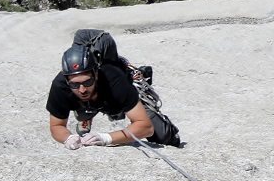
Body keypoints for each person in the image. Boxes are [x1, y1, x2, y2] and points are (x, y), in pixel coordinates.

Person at [46, 40, 180, 149]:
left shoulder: (115, 80)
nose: (81, 89)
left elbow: (146, 127)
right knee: (84, 102)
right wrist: (68, 138)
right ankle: (85, 113)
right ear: (66, 79)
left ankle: (86, 112)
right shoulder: (60, 86)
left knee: (163, 136)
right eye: (74, 85)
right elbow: (56, 126)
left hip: (115, 98)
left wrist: (106, 138)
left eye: (88, 82)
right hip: (92, 101)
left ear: (96, 74)